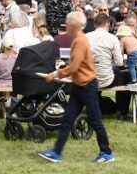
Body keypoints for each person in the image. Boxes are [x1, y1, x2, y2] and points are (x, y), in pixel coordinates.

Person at [37, 11, 114, 164]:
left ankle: (106, 152)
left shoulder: (79, 41)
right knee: (67, 119)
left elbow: (73, 68)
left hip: (87, 86)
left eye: (67, 22)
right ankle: (56, 152)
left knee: (95, 120)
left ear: (72, 25)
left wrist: (54, 74)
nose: (66, 24)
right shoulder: (80, 40)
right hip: (79, 86)